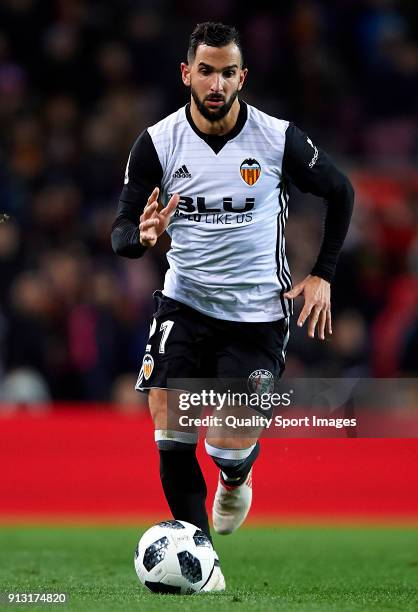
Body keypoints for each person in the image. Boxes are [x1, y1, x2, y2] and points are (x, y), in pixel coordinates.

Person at [111, 22, 354, 591]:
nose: (216, 82)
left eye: (227, 72)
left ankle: (235, 473)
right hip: (184, 303)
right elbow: (122, 227)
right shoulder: (158, 143)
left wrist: (322, 274)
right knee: (171, 431)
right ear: (186, 74)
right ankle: (205, 567)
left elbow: (340, 192)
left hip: (256, 315)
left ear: (241, 76)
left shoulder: (275, 140)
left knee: (224, 440)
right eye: (205, 70)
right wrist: (141, 239)